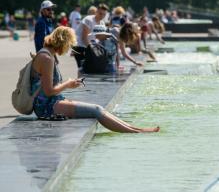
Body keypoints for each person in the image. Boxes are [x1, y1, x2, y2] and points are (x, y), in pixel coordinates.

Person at [31, 26, 159, 133]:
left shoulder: (47, 54)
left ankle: (135, 129)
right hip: (46, 107)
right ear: (63, 42)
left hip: (51, 101)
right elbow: (48, 91)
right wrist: (67, 84)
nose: (69, 48)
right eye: (69, 44)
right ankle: (136, 132)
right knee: (96, 110)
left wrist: (68, 85)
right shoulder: (47, 58)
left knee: (99, 108)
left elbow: (47, 87)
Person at [73, 3, 109, 69]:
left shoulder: (102, 23)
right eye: (100, 13)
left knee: (90, 69)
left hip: (89, 47)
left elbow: (99, 37)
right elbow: (84, 37)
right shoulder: (88, 20)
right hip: (79, 46)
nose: (102, 16)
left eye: (104, 14)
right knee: (82, 69)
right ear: (96, 11)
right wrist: (92, 50)